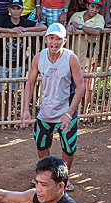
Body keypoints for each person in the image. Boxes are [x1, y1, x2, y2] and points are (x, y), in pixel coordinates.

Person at [22, 23, 84, 192]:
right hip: (46, 111)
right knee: (41, 144)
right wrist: (26, 109)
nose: (54, 43)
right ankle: (46, 178)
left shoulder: (71, 58)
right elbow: (30, 83)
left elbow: (80, 87)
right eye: (51, 38)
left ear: (64, 40)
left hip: (65, 111)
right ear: (46, 39)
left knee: (68, 148)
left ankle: (63, 178)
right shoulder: (39, 57)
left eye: (58, 39)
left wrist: (69, 113)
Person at [0, 0, 46, 116]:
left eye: (18, 8)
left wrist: (25, 29)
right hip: (1, 62)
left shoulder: (24, 22)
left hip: (17, 64)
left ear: (22, 10)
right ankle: (0, 115)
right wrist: (9, 31)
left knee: (12, 91)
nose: (15, 11)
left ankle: (9, 114)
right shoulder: (4, 20)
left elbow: (42, 26)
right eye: (13, 8)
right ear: (9, 9)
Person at [67, 0, 104, 113]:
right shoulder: (76, 15)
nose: (94, 10)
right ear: (87, 6)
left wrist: (80, 26)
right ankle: (69, 110)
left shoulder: (99, 18)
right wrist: (70, 27)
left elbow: (97, 31)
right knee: (69, 84)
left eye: (97, 8)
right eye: (92, 6)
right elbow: (69, 27)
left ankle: (85, 111)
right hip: (73, 56)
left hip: (89, 58)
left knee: (87, 86)